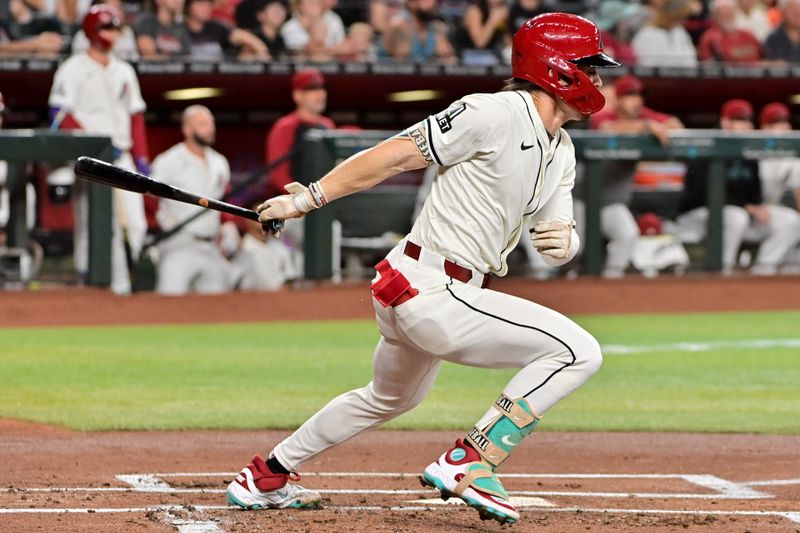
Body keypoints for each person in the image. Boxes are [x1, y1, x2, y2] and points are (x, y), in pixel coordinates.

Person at [227, 13, 616, 525]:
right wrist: (308, 200)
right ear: (557, 67)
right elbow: (394, 156)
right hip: (432, 286)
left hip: (421, 289)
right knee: (577, 352)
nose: (600, 77)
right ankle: (471, 460)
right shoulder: (492, 112)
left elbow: (556, 234)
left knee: (389, 398)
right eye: (591, 65)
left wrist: (567, 240)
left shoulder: (561, 149)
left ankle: (267, 475)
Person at [49, 5, 150, 295]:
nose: (112, 35)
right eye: (107, 28)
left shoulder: (124, 70)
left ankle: (128, 285)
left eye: (115, 29)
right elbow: (59, 113)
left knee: (136, 224)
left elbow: (136, 116)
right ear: (92, 31)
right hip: (93, 160)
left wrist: (142, 158)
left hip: (123, 155)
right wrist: (89, 143)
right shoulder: (72, 68)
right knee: (94, 224)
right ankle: (98, 286)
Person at [670, 99, 800, 274]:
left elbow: (754, 190)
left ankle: (764, 268)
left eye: (747, 120)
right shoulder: (708, 145)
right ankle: (722, 268)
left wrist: (755, 205)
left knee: (790, 220)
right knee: (736, 216)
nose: (745, 125)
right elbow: (702, 193)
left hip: (736, 215)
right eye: (739, 120)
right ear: (725, 122)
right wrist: (745, 205)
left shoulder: (748, 151)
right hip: (697, 215)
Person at [582, 74, 684, 278]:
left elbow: (676, 124)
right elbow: (605, 129)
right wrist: (646, 127)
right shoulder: (605, 115)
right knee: (574, 247)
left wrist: (654, 124)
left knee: (627, 234)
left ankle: (611, 280)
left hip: (610, 202)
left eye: (639, 95)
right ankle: (549, 281)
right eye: (629, 95)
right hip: (581, 198)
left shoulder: (644, 115)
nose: (636, 100)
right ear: (618, 99)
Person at [151, 105, 232, 294]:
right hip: (179, 243)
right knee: (169, 304)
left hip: (211, 245)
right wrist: (162, 222)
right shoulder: (168, 161)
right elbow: (147, 198)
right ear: (187, 129)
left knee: (216, 310)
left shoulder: (220, 162)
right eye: (203, 124)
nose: (210, 128)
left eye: (211, 123)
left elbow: (224, 200)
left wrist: (227, 225)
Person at [758, 102, 800, 270]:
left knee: (792, 223)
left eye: (785, 123)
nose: (783, 127)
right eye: (776, 123)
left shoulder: (792, 160)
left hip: (770, 212)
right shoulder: (749, 150)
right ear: (764, 127)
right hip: (746, 209)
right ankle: (762, 270)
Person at [184, 0, 269, 60]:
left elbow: (247, 39)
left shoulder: (217, 27)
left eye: (209, 4)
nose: (206, 8)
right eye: (201, 3)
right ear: (188, 6)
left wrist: (260, 53)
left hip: (217, 76)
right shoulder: (179, 30)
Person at [381, 0, 456, 62]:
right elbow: (401, 62)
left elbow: (448, 57)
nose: (433, 4)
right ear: (412, 3)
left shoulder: (437, 28)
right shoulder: (398, 26)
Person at [631, 0, 700, 67]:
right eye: (679, 17)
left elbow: (691, 60)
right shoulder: (648, 33)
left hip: (683, 77)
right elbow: (646, 63)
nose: (683, 21)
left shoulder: (681, 32)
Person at [72, 0, 139, 60]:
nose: (118, 12)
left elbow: (134, 60)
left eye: (119, 8)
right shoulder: (83, 35)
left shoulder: (127, 32)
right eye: (113, 8)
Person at [698, 0, 762, 62]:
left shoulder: (748, 35)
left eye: (730, 12)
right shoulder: (709, 39)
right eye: (722, 13)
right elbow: (708, 66)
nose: (727, 15)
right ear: (715, 15)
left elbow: (763, 58)